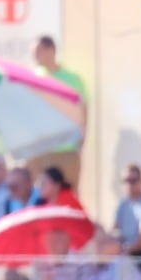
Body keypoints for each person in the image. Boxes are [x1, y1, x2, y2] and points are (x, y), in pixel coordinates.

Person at [30, 34, 86, 186]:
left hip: (66, 148)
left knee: (67, 193)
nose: (34, 56)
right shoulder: (33, 77)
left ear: (51, 50)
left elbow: (82, 109)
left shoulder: (72, 79)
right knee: (40, 196)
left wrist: (81, 139)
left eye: (37, 51)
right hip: (40, 149)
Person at [113, 163, 141, 257]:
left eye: (132, 181)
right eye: (125, 181)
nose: (128, 185)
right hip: (124, 253)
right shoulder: (123, 205)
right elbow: (116, 229)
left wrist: (128, 251)